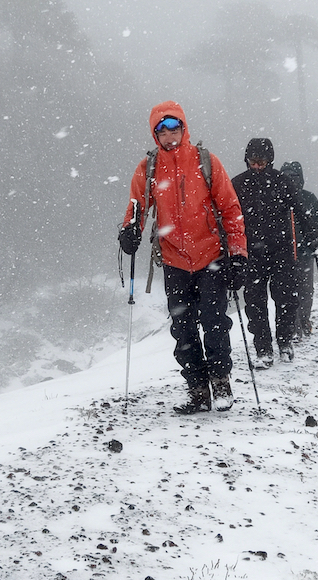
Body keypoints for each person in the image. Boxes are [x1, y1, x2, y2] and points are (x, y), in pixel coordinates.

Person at [118, 101, 247, 414]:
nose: (170, 135)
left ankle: (220, 381)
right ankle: (198, 389)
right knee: (183, 328)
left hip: (211, 256)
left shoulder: (206, 161)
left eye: (174, 128)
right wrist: (129, 232)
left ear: (184, 128)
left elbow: (230, 209)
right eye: (162, 130)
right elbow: (137, 208)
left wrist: (238, 254)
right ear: (155, 135)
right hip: (174, 260)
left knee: (215, 322)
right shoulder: (148, 168)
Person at [231, 138, 311, 367]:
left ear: (270, 160)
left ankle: (285, 342)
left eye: (261, 161)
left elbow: (300, 211)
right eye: (252, 161)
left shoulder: (283, 182)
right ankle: (263, 349)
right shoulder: (237, 184)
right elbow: (227, 216)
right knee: (255, 303)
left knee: (286, 299)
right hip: (251, 254)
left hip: (281, 252)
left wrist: (313, 237)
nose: (256, 166)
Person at [279, 161, 318, 341]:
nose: (290, 181)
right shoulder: (279, 197)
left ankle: (302, 321)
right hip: (284, 254)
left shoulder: (308, 198)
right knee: (292, 290)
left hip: (303, 253)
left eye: (293, 178)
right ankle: (292, 326)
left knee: (303, 290)